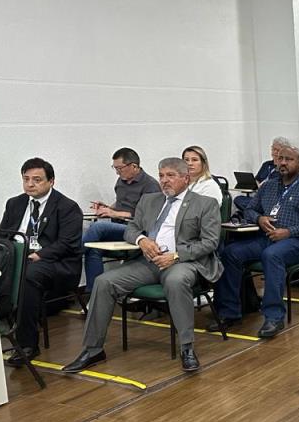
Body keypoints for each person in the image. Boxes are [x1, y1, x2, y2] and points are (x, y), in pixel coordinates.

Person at [62, 157, 222, 373]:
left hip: (183, 261)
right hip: (149, 261)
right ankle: (92, 350)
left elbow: (210, 242)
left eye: (170, 175)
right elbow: (131, 229)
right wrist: (142, 240)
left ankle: (187, 347)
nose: (164, 180)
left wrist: (175, 256)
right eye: (161, 175)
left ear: (185, 178)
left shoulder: (205, 203)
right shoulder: (149, 200)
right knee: (103, 282)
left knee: (176, 281)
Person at [212, 144, 299, 338]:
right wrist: (259, 219)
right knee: (230, 253)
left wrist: (288, 232)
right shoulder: (268, 186)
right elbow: (249, 209)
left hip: (297, 242)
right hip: (266, 237)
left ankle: (273, 317)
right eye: (280, 159)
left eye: (289, 159)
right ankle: (229, 313)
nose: (283, 163)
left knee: (272, 255)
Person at [0, 158, 83, 366]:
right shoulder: (15, 203)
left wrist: (40, 255)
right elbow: (2, 233)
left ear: (51, 181)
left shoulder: (67, 207)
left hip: (55, 262)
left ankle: (27, 344)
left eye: (37, 180)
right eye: (26, 179)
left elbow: (67, 244)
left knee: (28, 276)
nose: (30, 184)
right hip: (19, 256)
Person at [81, 147, 160, 292]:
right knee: (93, 248)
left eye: (120, 168)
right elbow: (120, 203)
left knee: (98, 227)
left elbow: (147, 217)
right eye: (115, 168)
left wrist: (114, 214)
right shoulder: (121, 181)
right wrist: (107, 208)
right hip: (119, 227)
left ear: (134, 166)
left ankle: (72, 254)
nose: (117, 172)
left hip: (137, 230)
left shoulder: (151, 185)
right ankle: (93, 294)